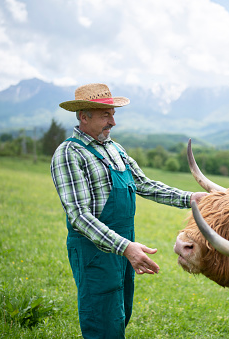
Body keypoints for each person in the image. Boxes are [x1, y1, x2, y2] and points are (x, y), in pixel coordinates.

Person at [51, 83, 207, 338]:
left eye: (113, 114)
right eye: (106, 115)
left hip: (123, 248)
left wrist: (191, 198)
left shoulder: (115, 148)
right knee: (102, 322)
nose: (113, 121)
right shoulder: (69, 154)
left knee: (120, 315)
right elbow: (79, 215)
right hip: (95, 252)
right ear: (83, 116)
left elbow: (144, 184)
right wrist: (125, 247)